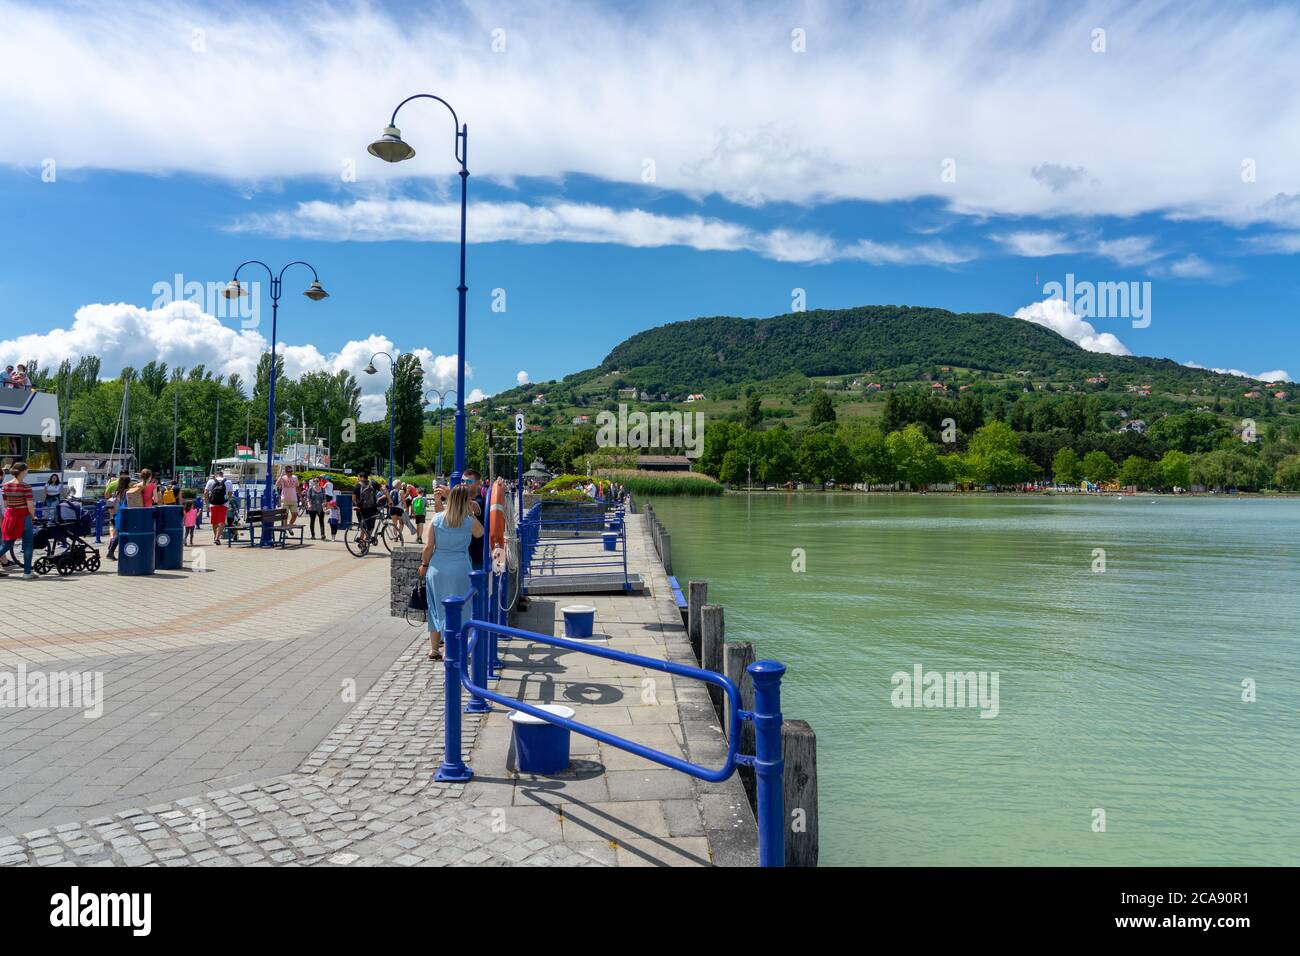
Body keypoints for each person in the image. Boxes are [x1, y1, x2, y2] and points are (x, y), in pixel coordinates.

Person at [419, 484, 482, 661]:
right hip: (461, 567)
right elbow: (480, 533)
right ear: (465, 501)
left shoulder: (437, 519)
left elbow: (429, 547)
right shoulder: (468, 521)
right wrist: (469, 510)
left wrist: (424, 564)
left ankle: (434, 649)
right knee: (460, 609)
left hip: (437, 567)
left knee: (436, 607)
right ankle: (454, 648)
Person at [0, 462, 37, 578]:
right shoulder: (26, 486)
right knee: (27, 545)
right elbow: (30, 505)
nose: (27, 471)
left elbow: (6, 504)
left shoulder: (5, 486)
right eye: (27, 470)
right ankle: (27, 573)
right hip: (23, 516)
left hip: (10, 516)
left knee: (7, 543)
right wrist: (33, 516)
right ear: (23, 471)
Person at [104, 468, 131, 560]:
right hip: (122, 513)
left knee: (118, 532)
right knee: (120, 533)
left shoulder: (117, 489)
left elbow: (106, 495)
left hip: (115, 512)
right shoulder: (127, 490)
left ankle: (112, 551)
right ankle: (111, 551)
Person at [206, 470, 232, 544]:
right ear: (222, 475)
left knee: (214, 521)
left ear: (216, 475)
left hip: (213, 504)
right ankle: (217, 538)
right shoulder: (228, 482)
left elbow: (205, 493)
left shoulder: (211, 481)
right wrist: (228, 501)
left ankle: (216, 537)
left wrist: (207, 504)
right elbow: (230, 494)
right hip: (223, 504)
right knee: (221, 521)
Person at [354, 471, 378, 543]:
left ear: (361, 477)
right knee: (371, 527)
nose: (357, 479)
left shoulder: (357, 486)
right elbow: (384, 490)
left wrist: (357, 505)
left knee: (363, 527)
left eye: (358, 477)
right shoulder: (373, 483)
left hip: (361, 509)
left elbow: (353, 498)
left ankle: (362, 543)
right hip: (372, 508)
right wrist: (389, 500)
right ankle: (366, 540)